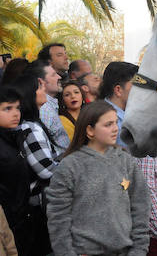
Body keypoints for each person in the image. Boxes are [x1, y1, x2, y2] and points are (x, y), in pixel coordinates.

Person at [45, 101, 150, 256]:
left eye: (115, 123)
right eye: (108, 124)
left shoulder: (126, 161)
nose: (115, 128)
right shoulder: (69, 166)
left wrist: (139, 250)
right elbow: (58, 219)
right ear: (90, 130)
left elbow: (140, 207)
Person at [0, 86, 31, 255]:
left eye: (17, 108)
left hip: (21, 218)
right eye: (7, 108)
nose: (15, 113)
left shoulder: (14, 137)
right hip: (7, 224)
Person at [31, 59, 70, 149]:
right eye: (53, 75)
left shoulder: (48, 106)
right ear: (41, 82)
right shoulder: (44, 110)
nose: (59, 77)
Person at [100, 61, 139, 147]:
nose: (141, 91)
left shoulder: (131, 114)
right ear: (118, 90)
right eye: (136, 86)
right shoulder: (104, 119)